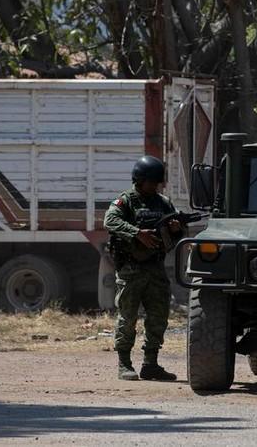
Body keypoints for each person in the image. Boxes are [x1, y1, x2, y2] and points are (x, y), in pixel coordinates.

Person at [104, 156, 182, 381]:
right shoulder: (125, 201)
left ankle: (151, 364)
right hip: (131, 269)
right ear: (139, 180)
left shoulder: (163, 203)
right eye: (152, 182)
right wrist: (137, 233)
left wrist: (176, 228)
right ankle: (124, 364)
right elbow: (110, 221)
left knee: (158, 317)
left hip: (155, 269)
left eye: (158, 182)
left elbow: (175, 233)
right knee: (127, 317)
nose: (155, 186)